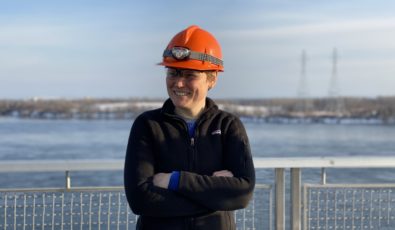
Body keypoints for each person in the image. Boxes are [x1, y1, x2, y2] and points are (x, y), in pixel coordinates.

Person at [124, 25, 255, 230]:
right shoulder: (148, 126)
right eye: (173, 73)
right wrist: (214, 198)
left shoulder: (228, 126)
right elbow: (139, 199)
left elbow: (242, 193)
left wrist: (175, 181)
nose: (178, 83)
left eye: (190, 75)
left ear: (212, 79)